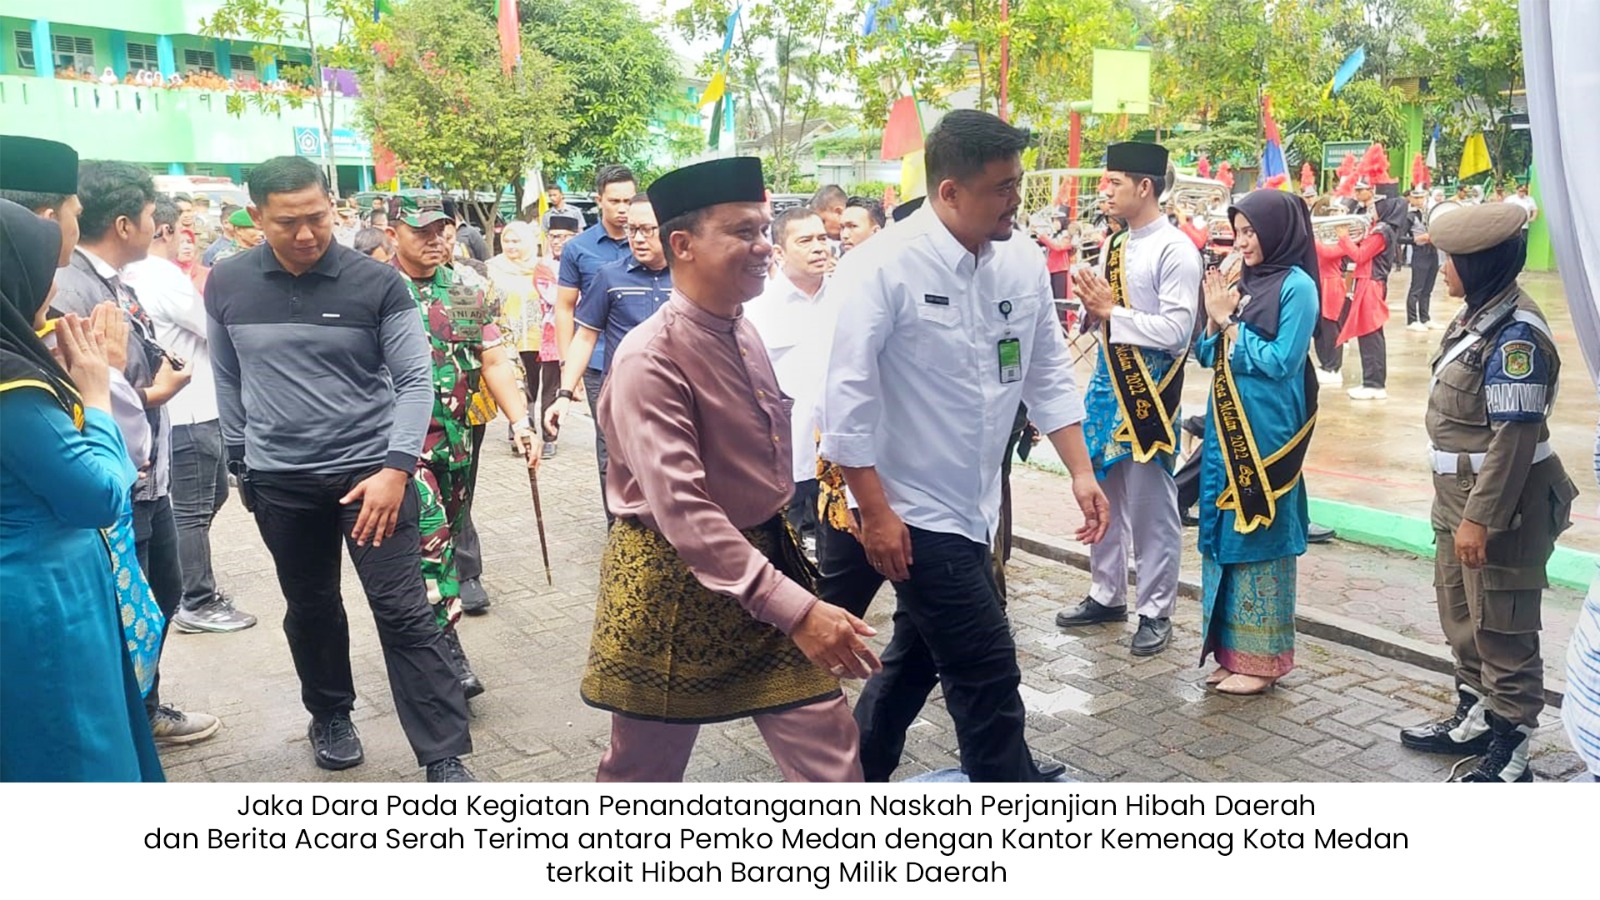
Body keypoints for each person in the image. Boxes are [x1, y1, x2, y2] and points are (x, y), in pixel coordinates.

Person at [822, 110, 1109, 781]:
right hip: (910, 509)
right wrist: (877, 512)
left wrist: (1081, 472)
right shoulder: (881, 267)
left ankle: (852, 778)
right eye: (1002, 188)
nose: (1016, 201)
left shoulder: (1020, 259)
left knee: (918, 656)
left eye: (1018, 184)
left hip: (978, 504)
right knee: (986, 669)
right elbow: (847, 402)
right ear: (948, 192)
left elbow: (1043, 372)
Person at [581, 156, 880, 782]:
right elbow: (685, 513)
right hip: (669, 580)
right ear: (683, 244)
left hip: (761, 562)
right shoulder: (648, 359)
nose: (763, 247)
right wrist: (798, 610)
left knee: (826, 735)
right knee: (643, 768)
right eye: (743, 232)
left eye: (764, 230)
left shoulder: (742, 329)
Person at [206, 156, 475, 782]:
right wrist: (242, 459)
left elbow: (414, 384)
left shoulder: (376, 284)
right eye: (286, 223)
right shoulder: (227, 282)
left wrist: (396, 468)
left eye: (317, 218)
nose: (305, 235)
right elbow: (227, 375)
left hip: (372, 480)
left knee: (405, 611)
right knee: (312, 606)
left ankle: (443, 754)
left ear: (334, 206)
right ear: (257, 217)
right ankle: (330, 713)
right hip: (281, 482)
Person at [1398, 202, 1578, 783]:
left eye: (1452, 259)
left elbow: (1514, 439)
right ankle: (1474, 718)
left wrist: (1481, 518)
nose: (1441, 267)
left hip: (1505, 504)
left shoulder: (1516, 335)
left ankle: (1513, 750)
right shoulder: (1478, 315)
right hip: (1459, 496)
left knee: (1502, 625)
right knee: (1461, 615)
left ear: (1481, 264)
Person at [51, 160, 220, 747]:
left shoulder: (113, 281)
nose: (160, 226)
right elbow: (86, 391)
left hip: (148, 476)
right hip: (119, 482)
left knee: (160, 595)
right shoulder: (73, 289)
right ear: (124, 223)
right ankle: (131, 717)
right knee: (130, 608)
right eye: (153, 217)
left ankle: (142, 705)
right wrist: (155, 392)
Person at [0, 201, 165, 782]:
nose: (51, 291)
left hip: (41, 585)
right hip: (42, 595)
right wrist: (98, 393)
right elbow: (97, 493)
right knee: (74, 747)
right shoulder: (11, 386)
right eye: (44, 271)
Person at [385, 190, 539, 682]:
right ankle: (445, 657)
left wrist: (520, 421)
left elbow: (491, 358)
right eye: (420, 231)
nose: (435, 240)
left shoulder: (462, 290)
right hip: (402, 449)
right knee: (431, 544)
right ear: (393, 234)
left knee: (446, 542)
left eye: (440, 230)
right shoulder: (377, 289)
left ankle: (424, 638)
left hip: (456, 441)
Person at [1055, 141, 1201, 658]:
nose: (1105, 190)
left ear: (1145, 187)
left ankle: (1156, 608)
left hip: (1150, 397)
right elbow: (1108, 315)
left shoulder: (1177, 250)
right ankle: (1106, 593)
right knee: (1103, 494)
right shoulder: (1116, 245)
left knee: (1151, 508)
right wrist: (1094, 311)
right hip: (1105, 388)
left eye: (1114, 181)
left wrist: (1112, 310)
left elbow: (1177, 331)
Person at [1193, 191, 1320, 695]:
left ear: (1278, 232)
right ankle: (1229, 652)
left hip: (1268, 432)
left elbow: (1280, 360)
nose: (1243, 242)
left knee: (1260, 531)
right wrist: (1211, 315)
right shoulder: (1239, 279)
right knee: (1225, 533)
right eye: (1239, 231)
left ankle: (1263, 662)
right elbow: (1207, 354)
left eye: (1252, 232)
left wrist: (1228, 322)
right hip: (1226, 426)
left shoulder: (1299, 287)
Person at [123, 197, 256, 634]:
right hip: (190, 409)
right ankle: (196, 599)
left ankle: (188, 586)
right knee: (194, 509)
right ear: (163, 230)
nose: (190, 235)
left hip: (180, 409)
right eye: (183, 226)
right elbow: (212, 326)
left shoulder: (130, 275)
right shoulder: (160, 276)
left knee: (206, 498)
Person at [545, 196, 672, 507]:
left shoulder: (693, 278)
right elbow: (585, 336)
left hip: (678, 404)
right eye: (632, 230)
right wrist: (563, 393)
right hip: (621, 402)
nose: (638, 238)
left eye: (648, 229)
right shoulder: (610, 277)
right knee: (619, 475)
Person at [744, 206, 834, 544]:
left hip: (840, 462)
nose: (819, 247)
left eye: (823, 238)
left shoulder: (849, 299)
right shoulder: (756, 310)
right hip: (786, 464)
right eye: (806, 240)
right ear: (779, 252)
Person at [555, 165, 636, 509]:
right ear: (598, 200)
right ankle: (617, 526)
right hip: (599, 363)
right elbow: (564, 308)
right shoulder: (579, 249)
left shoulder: (652, 241)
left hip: (650, 363)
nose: (622, 208)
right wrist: (566, 373)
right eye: (615, 200)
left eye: (629, 201)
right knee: (611, 449)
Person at [489, 220, 561, 460]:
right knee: (520, 386)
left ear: (528, 243)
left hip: (541, 339)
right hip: (508, 340)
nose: (511, 246)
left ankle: (550, 435)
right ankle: (520, 430)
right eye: (507, 241)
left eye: (516, 241)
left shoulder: (541, 268)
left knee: (547, 387)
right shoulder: (492, 268)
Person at [1336, 196, 1407, 400]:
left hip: (1371, 284)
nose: (1371, 208)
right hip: (1368, 282)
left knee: (1370, 334)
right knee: (1368, 334)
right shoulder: (1380, 228)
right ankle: (1372, 382)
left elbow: (1360, 256)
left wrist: (1343, 237)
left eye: (1375, 205)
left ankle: (1374, 384)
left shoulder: (1381, 231)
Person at [1312, 232, 1351, 384]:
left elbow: (1327, 254)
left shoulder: (1343, 242)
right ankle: (1325, 364)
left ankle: (1334, 367)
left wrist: (1312, 238)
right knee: (1319, 328)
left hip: (1331, 285)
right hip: (1319, 283)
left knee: (1331, 328)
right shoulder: (1324, 241)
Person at [1404, 188, 1442, 332]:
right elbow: (1399, 237)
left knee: (1428, 288)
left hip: (1433, 252)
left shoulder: (1431, 213)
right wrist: (1416, 239)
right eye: (1416, 197)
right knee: (1417, 287)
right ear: (1412, 199)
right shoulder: (1409, 216)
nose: (1419, 200)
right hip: (1419, 252)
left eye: (1422, 197)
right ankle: (1412, 319)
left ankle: (1425, 318)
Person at [1037, 214, 1075, 299]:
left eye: (1057, 220)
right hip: (1050, 269)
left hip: (1060, 270)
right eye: (1053, 220)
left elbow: (1058, 247)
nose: (1054, 223)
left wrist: (1044, 238)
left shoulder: (1067, 235)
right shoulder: (1053, 234)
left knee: (1060, 299)